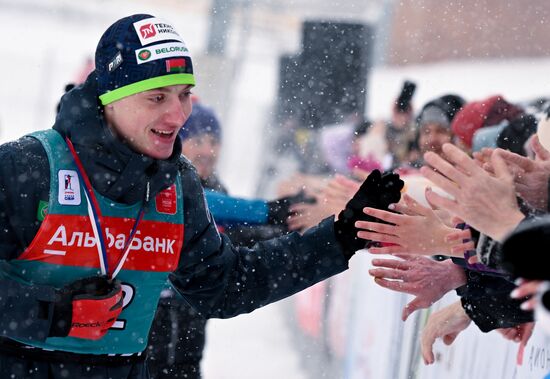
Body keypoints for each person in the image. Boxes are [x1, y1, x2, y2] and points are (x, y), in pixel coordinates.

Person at [0, 14, 404, 379]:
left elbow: (227, 285)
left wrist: (340, 236)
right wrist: (52, 313)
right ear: (110, 98)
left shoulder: (176, 185)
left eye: (184, 94)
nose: (179, 115)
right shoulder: (28, 167)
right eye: (157, 97)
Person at [147, 102, 307, 379]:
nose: (208, 151)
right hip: (148, 310)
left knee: (187, 368)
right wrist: (269, 212)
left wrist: (295, 228)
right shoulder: (159, 179)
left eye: (214, 141)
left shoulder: (216, 187)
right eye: (197, 140)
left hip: (190, 310)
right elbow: (193, 203)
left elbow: (233, 240)